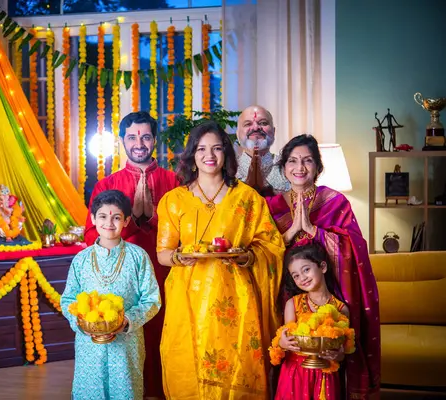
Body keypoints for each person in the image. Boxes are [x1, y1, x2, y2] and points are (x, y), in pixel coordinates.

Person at [156, 120, 285, 399]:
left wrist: (248, 256)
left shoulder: (248, 199)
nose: (209, 155)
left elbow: (272, 245)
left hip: (236, 297)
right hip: (188, 295)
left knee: (236, 359)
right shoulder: (173, 200)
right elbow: (163, 253)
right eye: (201, 149)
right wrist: (180, 256)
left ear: (226, 153)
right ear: (192, 155)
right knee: (187, 359)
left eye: (216, 148)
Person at [266, 134, 381, 399]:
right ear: (284, 168)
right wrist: (289, 233)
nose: (300, 167)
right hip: (284, 296)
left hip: (328, 293)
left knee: (327, 358)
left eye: (307, 160)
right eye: (292, 161)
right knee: (290, 359)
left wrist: (314, 231)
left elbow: (354, 248)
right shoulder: (271, 207)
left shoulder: (335, 202)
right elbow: (263, 252)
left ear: (318, 167)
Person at [84, 111, 178, 398]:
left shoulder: (173, 182)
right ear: (122, 141)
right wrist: (132, 221)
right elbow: (91, 237)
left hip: (167, 276)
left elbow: (185, 231)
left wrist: (151, 220)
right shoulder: (106, 185)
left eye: (146, 136)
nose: (140, 143)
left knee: (165, 337)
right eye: (132, 137)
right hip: (121, 282)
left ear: (155, 141)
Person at [61, 189, 161, 400]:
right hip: (89, 345)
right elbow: (68, 299)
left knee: (125, 391)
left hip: (127, 344)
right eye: (103, 217)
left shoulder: (138, 256)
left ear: (125, 221)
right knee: (90, 391)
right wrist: (80, 323)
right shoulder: (81, 259)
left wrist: (127, 321)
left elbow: (152, 299)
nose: (109, 223)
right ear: (93, 219)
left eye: (116, 217)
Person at [273, 243, 352, 399]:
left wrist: (338, 356)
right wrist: (282, 344)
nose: (302, 278)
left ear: (322, 267)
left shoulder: (340, 308)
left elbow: (343, 350)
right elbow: (286, 338)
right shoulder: (293, 304)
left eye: (306, 270)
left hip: (325, 375)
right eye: (295, 275)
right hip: (295, 373)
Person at [235, 105, 290, 195]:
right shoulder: (228, 169)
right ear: (237, 135)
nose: (256, 128)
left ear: (274, 132)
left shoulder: (288, 167)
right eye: (248, 124)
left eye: (263, 123)